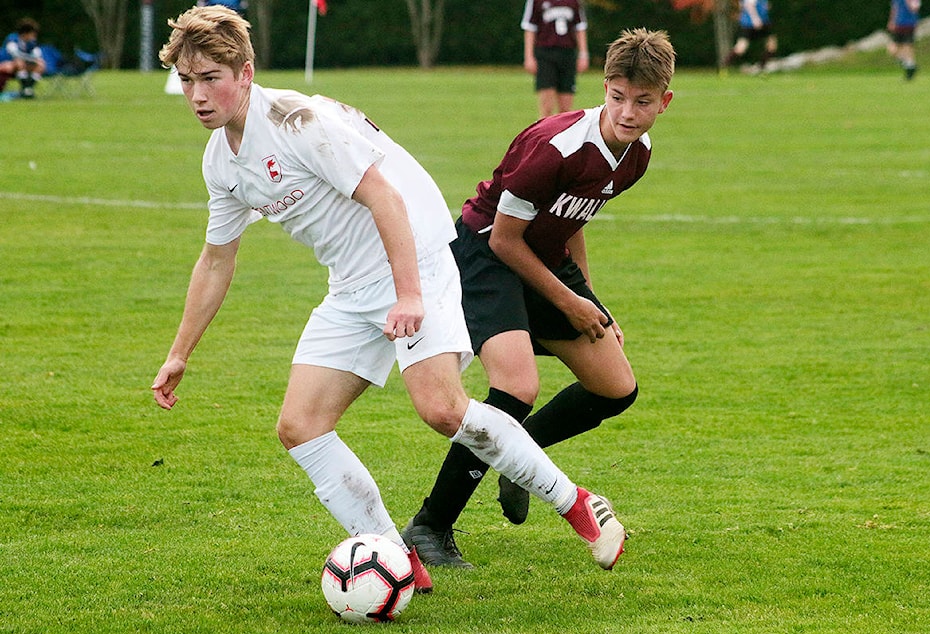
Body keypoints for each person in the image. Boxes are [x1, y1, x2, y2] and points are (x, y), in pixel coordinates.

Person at [151, 4, 627, 596]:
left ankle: (579, 504)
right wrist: (180, 353)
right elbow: (217, 257)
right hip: (352, 282)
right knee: (301, 425)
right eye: (188, 81)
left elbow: (385, 198)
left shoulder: (297, 122)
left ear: (245, 73)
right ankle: (400, 563)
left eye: (211, 78)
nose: (198, 95)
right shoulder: (221, 159)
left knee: (443, 409)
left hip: (416, 256)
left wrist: (408, 295)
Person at [401, 28, 674, 569]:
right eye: (618, 97)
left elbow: (574, 221)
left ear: (664, 101)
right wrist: (571, 304)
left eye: (642, 102)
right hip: (483, 253)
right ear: (604, 87)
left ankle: (519, 457)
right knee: (516, 386)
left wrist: (591, 299)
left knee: (615, 387)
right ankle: (429, 526)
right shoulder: (558, 147)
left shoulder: (637, 155)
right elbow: (503, 239)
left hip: (541, 256)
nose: (627, 113)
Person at [521, 0, 590, 118]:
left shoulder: (574, 1)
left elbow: (580, 27)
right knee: (546, 108)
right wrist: (529, 56)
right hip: (545, 54)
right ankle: (544, 135)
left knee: (565, 110)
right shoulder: (535, 1)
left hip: (567, 54)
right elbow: (530, 28)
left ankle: (564, 135)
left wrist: (583, 54)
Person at [723, 0, 777, 73]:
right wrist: (755, 19)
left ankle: (761, 67)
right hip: (749, 24)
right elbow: (749, 5)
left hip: (764, 22)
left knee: (772, 46)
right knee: (741, 49)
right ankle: (724, 66)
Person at [0, 18, 46, 98]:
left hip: (19, 66)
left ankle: (27, 90)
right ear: (26, 33)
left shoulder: (31, 43)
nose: (34, 37)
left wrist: (35, 60)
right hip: (5, 63)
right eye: (33, 34)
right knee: (19, 62)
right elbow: (15, 54)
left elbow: (37, 54)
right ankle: (24, 89)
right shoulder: (12, 38)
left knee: (41, 64)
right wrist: (31, 59)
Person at [887, 0, 921, 80]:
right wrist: (892, 21)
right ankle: (910, 65)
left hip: (908, 24)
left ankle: (910, 68)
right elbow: (894, 9)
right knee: (893, 49)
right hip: (899, 24)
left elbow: (914, 8)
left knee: (907, 46)